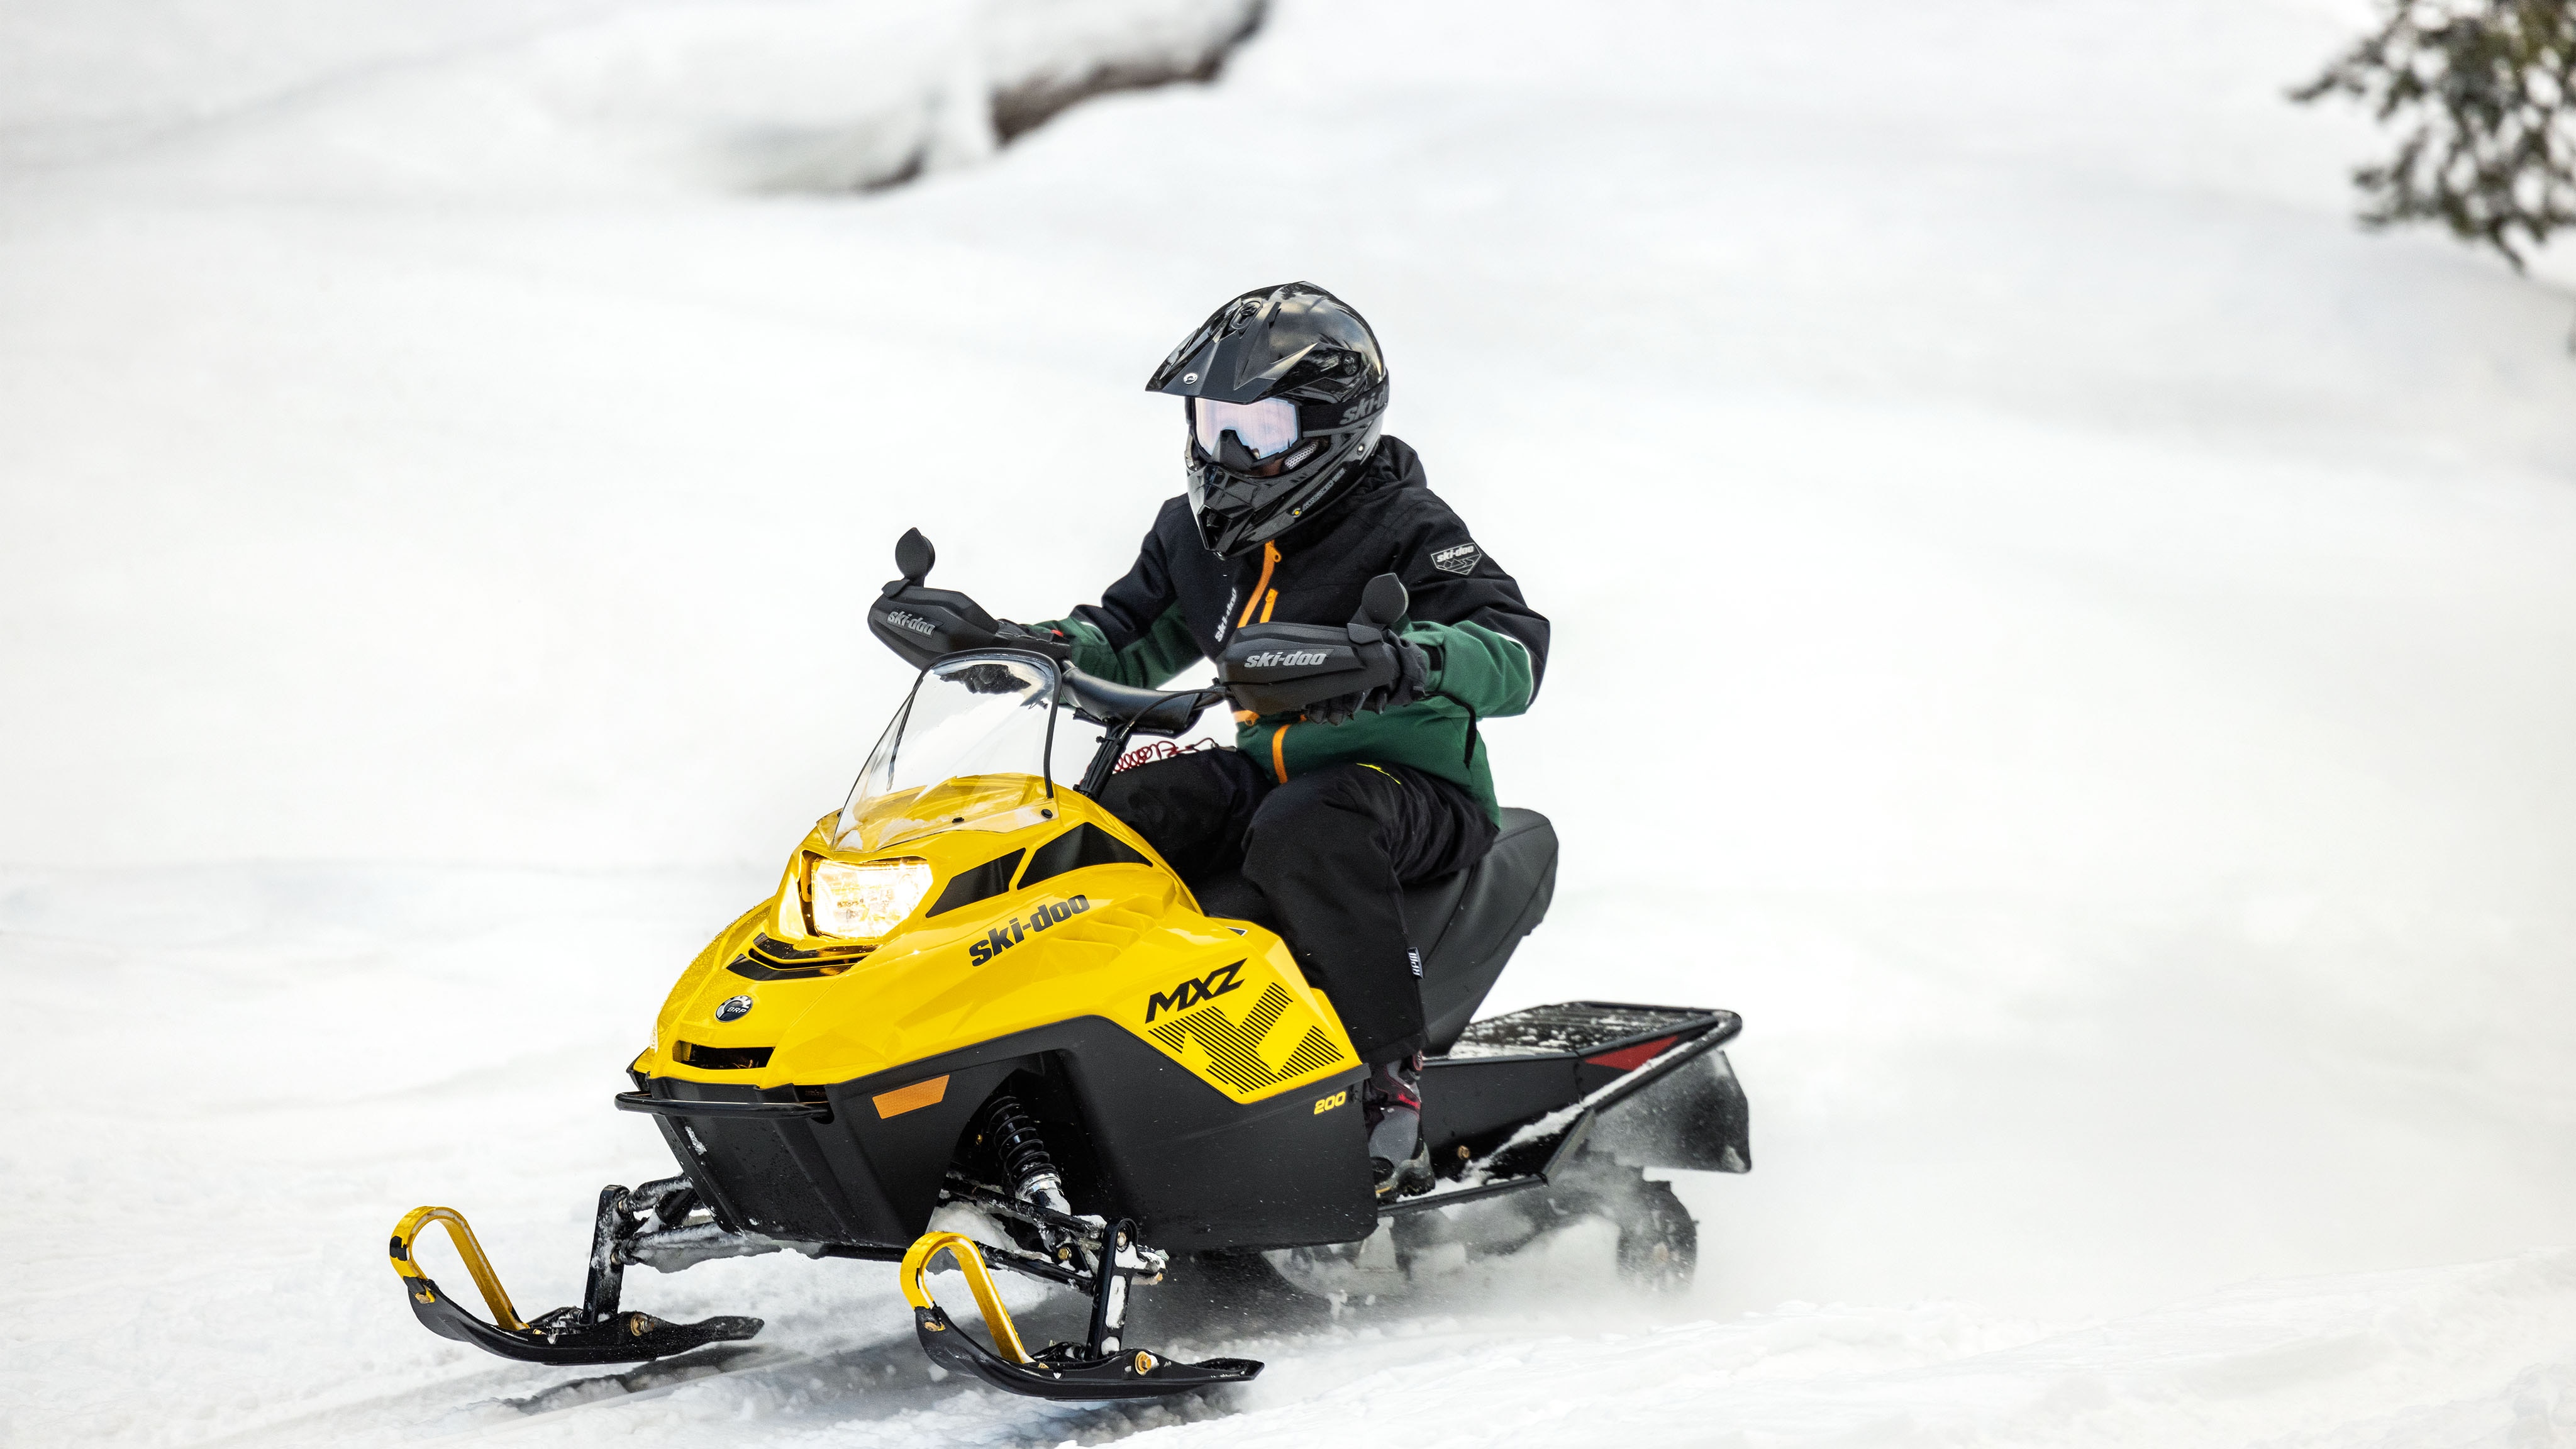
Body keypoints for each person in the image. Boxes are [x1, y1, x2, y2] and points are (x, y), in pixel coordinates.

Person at [1006, 282, 1549, 1198]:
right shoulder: (1197, 535)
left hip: (1410, 792)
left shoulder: (1408, 527)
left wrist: (1403, 657)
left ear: (1333, 431)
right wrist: (1026, 648)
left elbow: (1514, 652)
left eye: (1255, 431)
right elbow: (1131, 637)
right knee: (1118, 811)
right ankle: (1056, 1054)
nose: (1224, 453)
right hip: (1271, 773)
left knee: (1310, 825)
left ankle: (1388, 1077)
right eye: (1214, 422)